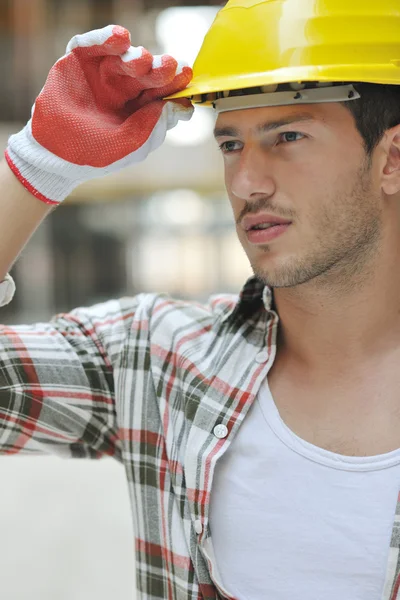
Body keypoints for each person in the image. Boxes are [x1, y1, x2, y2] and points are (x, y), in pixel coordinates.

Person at [1, 0, 400, 598]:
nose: (246, 183)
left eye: (287, 136)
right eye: (231, 145)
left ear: (391, 158)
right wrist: (35, 167)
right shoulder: (160, 357)